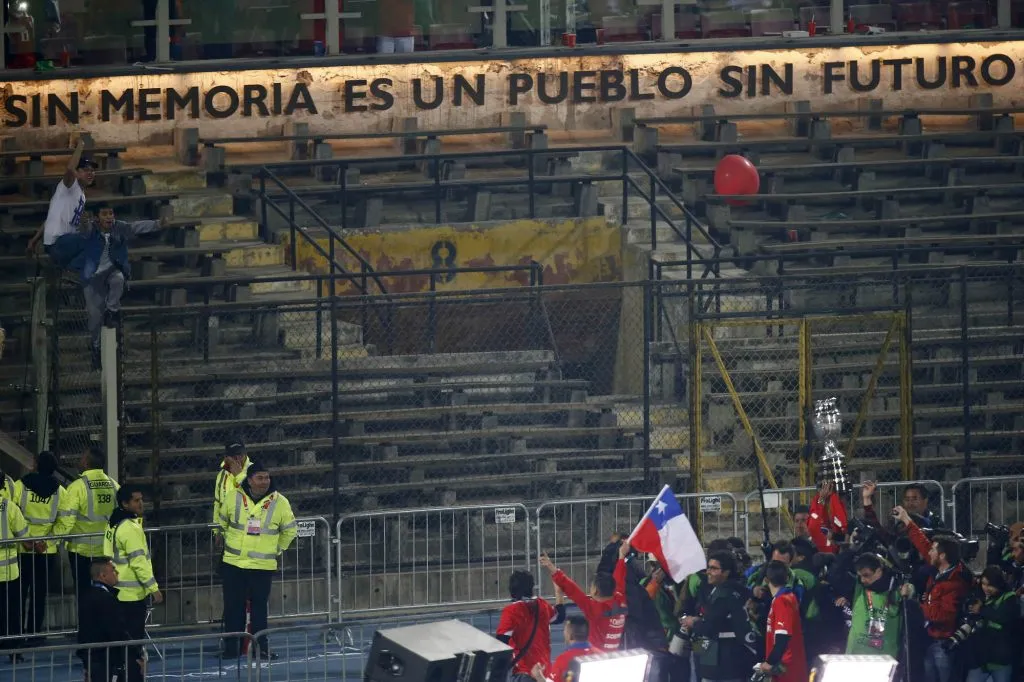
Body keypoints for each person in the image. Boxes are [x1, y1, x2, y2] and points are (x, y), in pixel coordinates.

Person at [217, 462, 297, 660]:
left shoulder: (280, 502)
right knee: (233, 609)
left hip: (262, 566)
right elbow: (222, 520)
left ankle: (261, 648)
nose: (265, 482)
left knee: (259, 610)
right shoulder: (234, 496)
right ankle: (231, 649)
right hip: (234, 563)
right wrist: (224, 538)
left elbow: (290, 530)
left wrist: (276, 549)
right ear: (250, 480)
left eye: (267, 477)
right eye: (260, 478)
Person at [79, 203, 169, 370]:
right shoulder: (91, 229)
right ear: (97, 217)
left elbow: (136, 227)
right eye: (104, 214)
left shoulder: (119, 227)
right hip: (92, 276)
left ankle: (112, 310)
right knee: (94, 317)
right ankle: (96, 348)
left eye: (111, 213)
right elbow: (84, 230)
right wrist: (84, 222)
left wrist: (157, 224)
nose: (109, 217)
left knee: (118, 279)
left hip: (112, 269)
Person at [894, 505, 971, 682]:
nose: (929, 552)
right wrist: (906, 519)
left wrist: (916, 604)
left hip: (943, 644)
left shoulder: (955, 582)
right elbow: (922, 543)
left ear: (942, 556)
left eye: (933, 550)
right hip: (930, 639)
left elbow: (944, 615)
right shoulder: (942, 568)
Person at [12, 450, 74, 644]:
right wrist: (47, 542)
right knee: (40, 594)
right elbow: (65, 522)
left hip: (22, 549)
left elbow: (11, 514)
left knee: (18, 594)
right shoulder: (60, 491)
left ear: (36, 464)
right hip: (46, 551)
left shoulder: (20, 486)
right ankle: (35, 634)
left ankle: (16, 634)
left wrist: (25, 539)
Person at [681, 550, 755, 682]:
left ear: (726, 572)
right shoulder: (720, 589)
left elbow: (710, 626)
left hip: (722, 659)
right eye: (708, 567)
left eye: (714, 568)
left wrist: (694, 623)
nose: (708, 571)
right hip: (714, 654)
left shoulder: (725, 594)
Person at [539, 543, 627, 652]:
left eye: (591, 585)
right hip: (614, 656)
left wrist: (552, 568)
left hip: (595, 658)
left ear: (595, 590)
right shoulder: (620, 600)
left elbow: (573, 590)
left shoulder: (594, 609)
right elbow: (619, 581)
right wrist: (621, 557)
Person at [104, 485, 162, 641]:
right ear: (125, 504)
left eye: (141, 499)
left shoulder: (113, 522)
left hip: (116, 591)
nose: (141, 503)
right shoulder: (130, 528)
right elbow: (139, 563)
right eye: (136, 500)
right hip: (131, 595)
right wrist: (153, 589)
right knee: (134, 641)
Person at [26, 141, 95, 269]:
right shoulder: (68, 186)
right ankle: (71, 271)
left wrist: (34, 240)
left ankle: (71, 271)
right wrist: (81, 145)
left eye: (92, 171)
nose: (90, 173)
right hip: (58, 243)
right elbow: (69, 169)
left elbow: (50, 218)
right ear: (77, 173)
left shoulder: (82, 196)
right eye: (85, 170)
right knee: (96, 242)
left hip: (67, 243)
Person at [65, 446, 119, 593]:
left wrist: (54, 539)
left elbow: (67, 520)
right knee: (106, 592)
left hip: (81, 552)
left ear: (87, 463)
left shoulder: (77, 487)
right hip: (106, 550)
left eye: (82, 458)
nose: (80, 460)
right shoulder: (114, 485)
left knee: (84, 594)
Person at [77, 557, 141, 682]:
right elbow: (117, 631)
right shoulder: (106, 599)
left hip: (93, 658)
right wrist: (136, 655)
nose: (117, 573)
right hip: (106, 660)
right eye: (113, 570)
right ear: (103, 575)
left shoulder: (87, 596)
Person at [496, 569, 566, 682]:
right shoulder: (542, 605)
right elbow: (560, 616)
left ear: (511, 589)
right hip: (545, 673)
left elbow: (501, 643)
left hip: (524, 673)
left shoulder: (511, 611)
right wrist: (559, 593)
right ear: (532, 587)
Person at [842, 552, 912, 657]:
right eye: (860, 576)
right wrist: (853, 549)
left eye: (866, 575)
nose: (863, 580)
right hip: (855, 657)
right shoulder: (860, 588)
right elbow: (836, 572)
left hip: (885, 659)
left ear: (878, 571)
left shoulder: (898, 589)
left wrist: (909, 592)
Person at [963, 567, 1017, 682]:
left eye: (989, 585)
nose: (986, 588)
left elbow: (1004, 617)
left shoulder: (1010, 597)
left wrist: (981, 610)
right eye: (983, 584)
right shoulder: (981, 597)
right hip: (981, 659)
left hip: (1001, 660)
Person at [756, 561, 806, 682]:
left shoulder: (782, 601)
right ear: (787, 578)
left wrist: (769, 662)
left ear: (766, 580)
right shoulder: (789, 597)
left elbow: (782, 637)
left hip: (786, 669)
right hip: (789, 667)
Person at [0, 488, 32, 657]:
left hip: (8, 571)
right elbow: (25, 539)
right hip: (8, 571)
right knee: (11, 611)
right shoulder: (9, 507)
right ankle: (14, 649)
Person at [213, 441, 252, 546]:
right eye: (234, 456)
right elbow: (218, 504)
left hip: (251, 530)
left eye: (241, 455)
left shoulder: (255, 471)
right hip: (229, 533)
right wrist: (217, 531)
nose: (238, 459)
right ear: (226, 458)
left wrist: (239, 475)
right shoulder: (221, 475)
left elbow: (256, 497)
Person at [531, 616, 593, 682]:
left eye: (565, 630)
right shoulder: (600, 654)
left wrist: (539, 676)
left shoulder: (564, 659)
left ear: (570, 634)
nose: (564, 633)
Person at [808, 481, 848, 554]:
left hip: (834, 546)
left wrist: (833, 536)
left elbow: (843, 529)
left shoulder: (835, 501)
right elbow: (813, 525)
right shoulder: (818, 501)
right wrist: (821, 501)